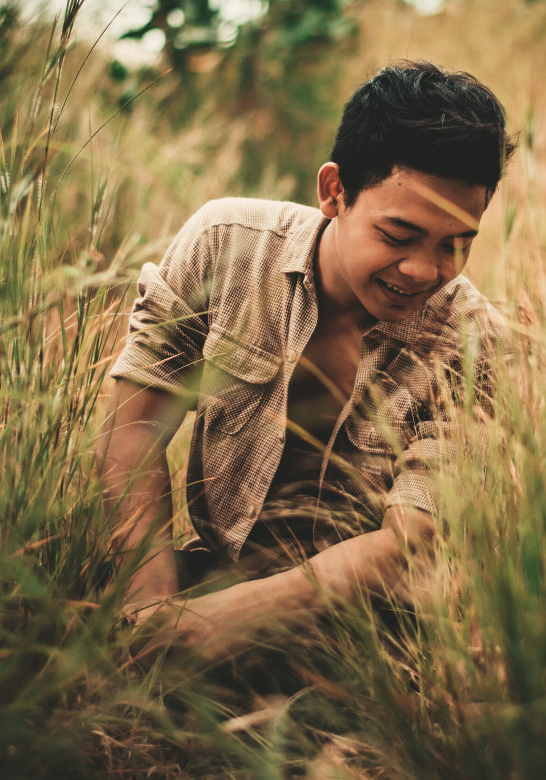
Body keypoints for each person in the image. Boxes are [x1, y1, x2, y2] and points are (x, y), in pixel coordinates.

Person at [97, 59, 514, 663]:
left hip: (371, 636)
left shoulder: (474, 341)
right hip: (208, 576)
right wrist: (151, 609)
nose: (424, 269)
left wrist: (216, 624)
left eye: (455, 244)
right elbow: (133, 427)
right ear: (334, 191)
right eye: (398, 235)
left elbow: (412, 540)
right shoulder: (226, 244)